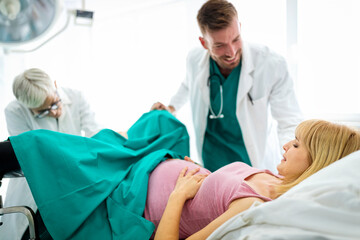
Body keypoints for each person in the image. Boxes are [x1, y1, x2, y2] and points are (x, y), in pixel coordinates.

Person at [0, 110, 359, 239]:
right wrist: (197, 171)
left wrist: (177, 194)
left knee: (44, 145)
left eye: (296, 145)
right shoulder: (270, 175)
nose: (285, 146)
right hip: (149, 167)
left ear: (317, 161)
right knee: (163, 121)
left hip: (134, 196)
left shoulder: (255, 205)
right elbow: (214, 188)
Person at [151, 0, 303, 172]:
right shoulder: (194, 59)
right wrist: (171, 107)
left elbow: (289, 121)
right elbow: (188, 84)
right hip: (211, 164)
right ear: (204, 43)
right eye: (219, 45)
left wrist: (294, 159)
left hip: (252, 165)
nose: (231, 52)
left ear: (240, 27)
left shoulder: (271, 64)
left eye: (236, 39)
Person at [2, 68, 102, 240]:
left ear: (55, 85)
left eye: (55, 103)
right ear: (28, 107)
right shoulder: (15, 111)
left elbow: (96, 138)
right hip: (35, 189)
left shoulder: (77, 97)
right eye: (43, 112)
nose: (54, 112)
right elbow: (30, 155)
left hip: (72, 184)